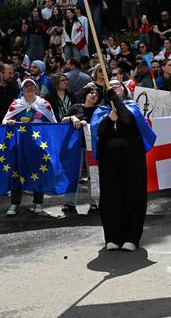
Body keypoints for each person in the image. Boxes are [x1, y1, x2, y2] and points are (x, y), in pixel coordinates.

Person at [90, 80, 156, 251]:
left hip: (132, 159)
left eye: (117, 85)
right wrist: (108, 119)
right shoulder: (101, 110)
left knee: (133, 195)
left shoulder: (131, 106)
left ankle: (131, 238)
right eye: (110, 85)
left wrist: (117, 103)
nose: (114, 87)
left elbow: (127, 119)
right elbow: (97, 131)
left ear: (124, 90)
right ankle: (112, 237)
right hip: (109, 159)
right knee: (111, 196)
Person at [2, 79, 57, 215]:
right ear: (22, 90)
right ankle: (15, 204)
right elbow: (4, 121)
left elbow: (54, 122)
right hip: (20, 145)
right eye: (26, 87)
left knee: (39, 172)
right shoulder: (16, 104)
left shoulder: (44, 104)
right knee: (17, 172)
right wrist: (9, 122)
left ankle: (38, 203)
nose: (29, 88)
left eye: (31, 86)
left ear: (36, 89)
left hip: (38, 145)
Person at [61, 83, 103, 214]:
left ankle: (94, 203)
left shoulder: (99, 110)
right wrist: (73, 117)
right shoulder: (76, 107)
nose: (94, 95)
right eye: (91, 93)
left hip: (93, 148)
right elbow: (62, 121)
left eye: (96, 94)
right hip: (75, 148)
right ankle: (69, 203)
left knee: (94, 176)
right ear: (85, 94)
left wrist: (88, 124)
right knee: (73, 174)